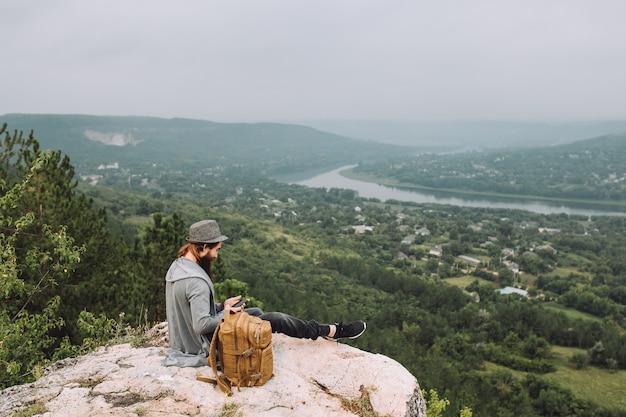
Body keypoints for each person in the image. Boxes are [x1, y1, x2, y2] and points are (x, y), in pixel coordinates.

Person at [162, 219, 366, 367]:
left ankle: (326, 331)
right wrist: (227, 314)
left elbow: (190, 309)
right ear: (203, 247)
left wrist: (221, 307)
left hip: (183, 342)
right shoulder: (196, 281)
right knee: (275, 319)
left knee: (257, 312)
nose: (216, 255)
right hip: (203, 345)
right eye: (216, 250)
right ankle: (331, 331)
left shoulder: (179, 266)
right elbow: (201, 324)